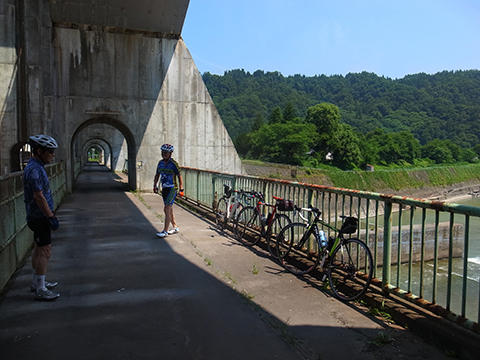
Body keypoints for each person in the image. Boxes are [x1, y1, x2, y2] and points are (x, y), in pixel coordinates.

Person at [23, 135, 60, 301]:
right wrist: (50, 216)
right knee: (45, 251)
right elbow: (38, 196)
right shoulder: (34, 170)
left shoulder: (36, 167)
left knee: (39, 250)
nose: (53, 155)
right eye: (50, 151)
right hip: (39, 217)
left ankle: (37, 282)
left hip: (37, 216)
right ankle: (40, 289)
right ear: (40, 151)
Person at [153, 144, 184, 238]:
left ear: (170, 153)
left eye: (166, 152)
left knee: (167, 208)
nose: (164, 154)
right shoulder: (160, 163)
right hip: (164, 188)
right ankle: (175, 227)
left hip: (172, 188)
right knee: (169, 209)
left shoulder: (174, 164)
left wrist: (181, 189)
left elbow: (179, 176)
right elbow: (157, 174)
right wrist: (155, 185)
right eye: (163, 152)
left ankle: (165, 231)